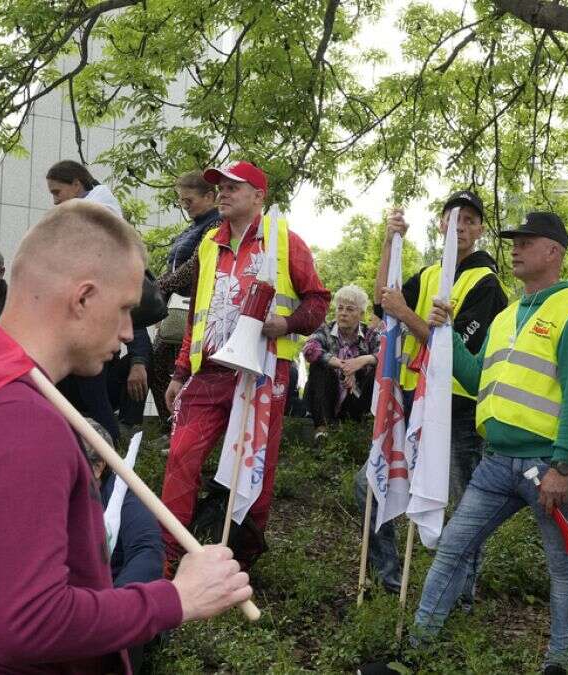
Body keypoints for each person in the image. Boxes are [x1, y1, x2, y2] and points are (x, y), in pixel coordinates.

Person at [0, 200, 252, 673]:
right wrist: (176, 598)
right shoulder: (21, 422)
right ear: (84, 298)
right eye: (125, 309)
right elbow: (27, 623)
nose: (128, 331)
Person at [399, 211, 568, 673]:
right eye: (514, 241)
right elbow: (474, 376)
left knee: (563, 567)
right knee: (452, 546)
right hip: (496, 463)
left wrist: (563, 466)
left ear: (554, 251)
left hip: (547, 465)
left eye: (527, 241)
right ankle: (418, 648)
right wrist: (444, 335)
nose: (516, 247)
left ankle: (558, 662)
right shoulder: (508, 315)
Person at [159, 160, 330, 567]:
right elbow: (197, 312)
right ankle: (167, 560)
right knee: (180, 459)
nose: (223, 192)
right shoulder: (207, 244)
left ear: (259, 195)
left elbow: (318, 300)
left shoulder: (285, 240)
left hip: (262, 375)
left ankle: (241, 562)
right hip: (208, 372)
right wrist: (180, 372)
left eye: (234, 186)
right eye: (219, 186)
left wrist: (286, 324)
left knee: (253, 472)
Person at [355, 189, 509, 594]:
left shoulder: (485, 283)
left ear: (478, 231)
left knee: (461, 506)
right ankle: (389, 580)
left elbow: (455, 353)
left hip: (454, 411)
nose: (460, 226)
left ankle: (459, 595)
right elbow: (382, 300)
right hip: (407, 403)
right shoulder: (427, 274)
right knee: (371, 485)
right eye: (453, 217)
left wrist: (406, 314)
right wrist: (390, 240)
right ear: (440, 224)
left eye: (470, 220)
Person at [44, 160, 151, 442]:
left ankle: (113, 447)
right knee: (88, 394)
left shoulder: (96, 212)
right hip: (93, 319)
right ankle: (110, 447)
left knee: (93, 393)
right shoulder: (98, 209)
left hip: (96, 318)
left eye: (58, 192)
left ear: (77, 184)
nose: (56, 201)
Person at [81, 418, 166, 674]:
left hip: (114, 607)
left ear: (98, 466)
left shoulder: (122, 497)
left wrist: (115, 606)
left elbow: (147, 552)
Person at [149, 171, 223, 420]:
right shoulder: (195, 227)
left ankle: (182, 425)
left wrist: (161, 284)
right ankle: (170, 424)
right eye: (182, 201)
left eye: (189, 200)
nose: (185, 206)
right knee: (157, 365)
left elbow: (195, 265)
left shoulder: (216, 225)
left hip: (197, 310)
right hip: (177, 307)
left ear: (210, 196)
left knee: (183, 370)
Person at [302, 284, 379, 441]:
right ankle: (321, 430)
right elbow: (310, 349)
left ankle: (364, 426)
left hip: (356, 397)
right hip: (327, 396)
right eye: (340, 308)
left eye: (350, 309)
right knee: (319, 367)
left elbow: (384, 353)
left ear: (361, 314)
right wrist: (343, 365)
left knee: (379, 369)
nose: (343, 313)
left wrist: (362, 361)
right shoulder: (325, 330)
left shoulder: (370, 334)